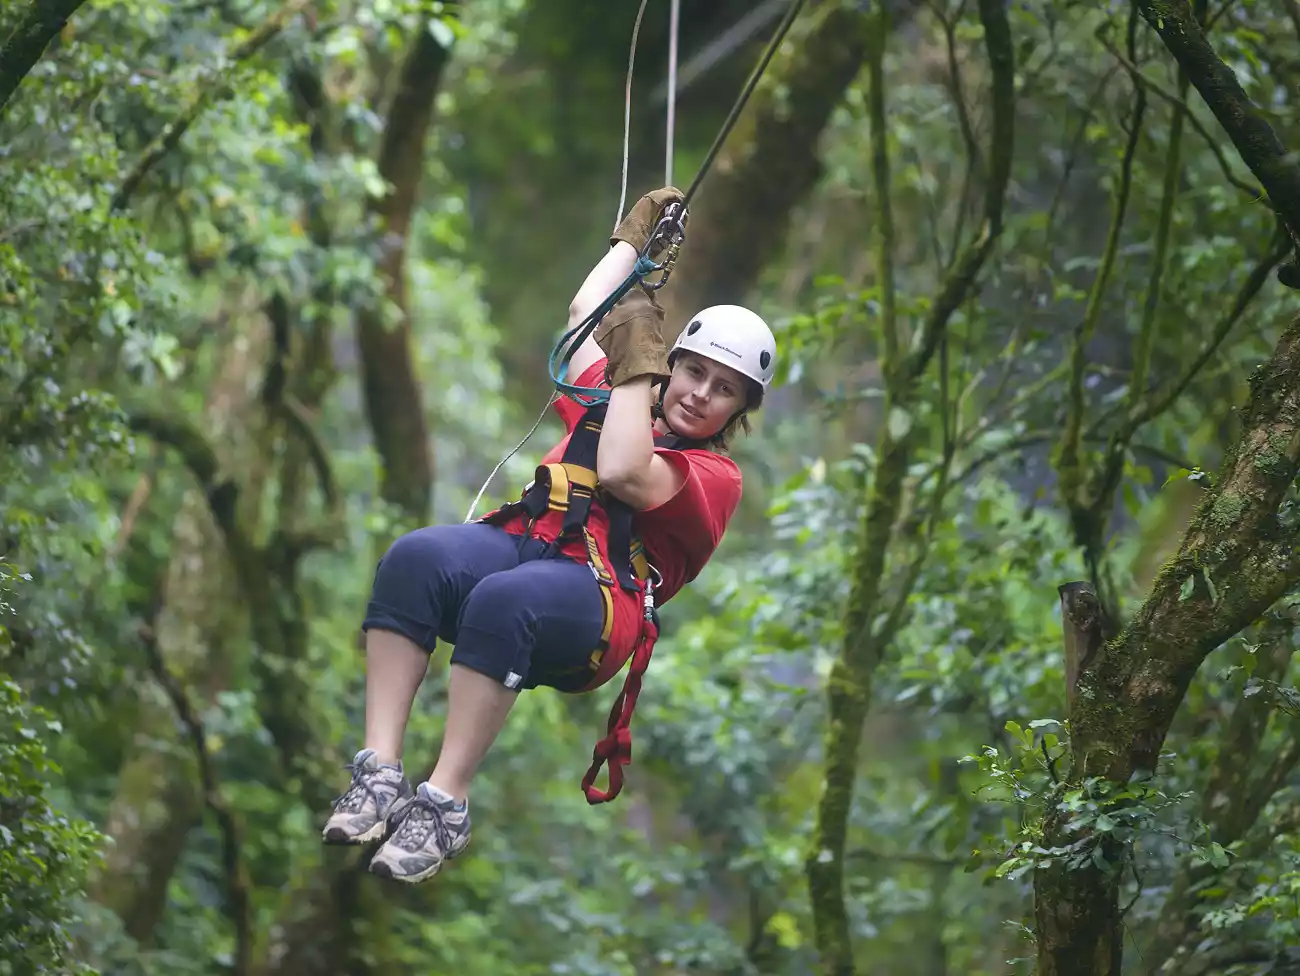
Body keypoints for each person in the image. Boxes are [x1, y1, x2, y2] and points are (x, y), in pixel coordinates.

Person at [320, 186, 778, 884]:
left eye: (722, 389)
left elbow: (626, 469)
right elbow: (581, 318)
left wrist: (638, 362)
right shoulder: (620, 394)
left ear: (739, 410)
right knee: (415, 558)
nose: (697, 393)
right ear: (674, 365)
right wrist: (635, 241)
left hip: (599, 597)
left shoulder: (713, 477)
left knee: (508, 601)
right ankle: (379, 771)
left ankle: (444, 803)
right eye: (692, 370)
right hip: (530, 539)